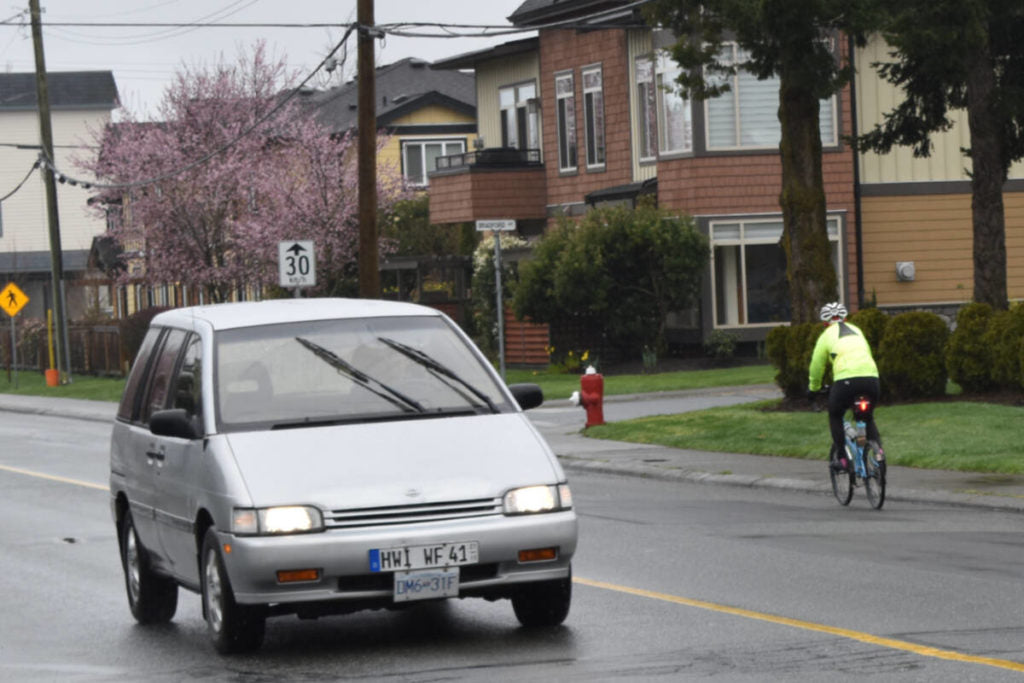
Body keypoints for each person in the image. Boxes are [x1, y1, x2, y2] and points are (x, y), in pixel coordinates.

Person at [807, 302, 884, 471]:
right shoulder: (857, 331)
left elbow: (817, 365)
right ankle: (879, 453)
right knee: (867, 417)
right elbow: (867, 354)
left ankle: (842, 458)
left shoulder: (826, 335)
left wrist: (814, 388)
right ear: (845, 319)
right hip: (871, 378)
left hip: (845, 381)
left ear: (825, 323)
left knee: (835, 415)